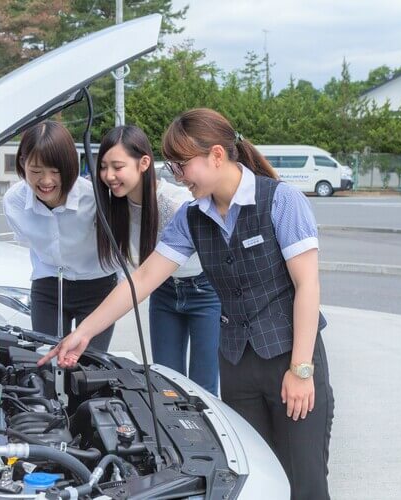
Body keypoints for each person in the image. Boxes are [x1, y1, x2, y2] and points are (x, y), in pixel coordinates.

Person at [39, 108, 334, 500]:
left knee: (305, 485)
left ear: (215, 155)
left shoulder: (281, 201)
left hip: (291, 356)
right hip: (236, 365)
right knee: (255, 483)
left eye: (181, 165)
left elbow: (307, 285)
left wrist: (301, 369)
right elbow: (143, 278)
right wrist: (84, 333)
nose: (177, 176)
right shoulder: (193, 217)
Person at [95, 125, 221, 394]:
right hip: (163, 292)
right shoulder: (113, 207)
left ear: (144, 163)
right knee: (166, 383)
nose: (109, 175)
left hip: (205, 291)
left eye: (117, 166)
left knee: (204, 386)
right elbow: (135, 275)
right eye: (103, 167)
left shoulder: (177, 203)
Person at [3, 120, 117, 350]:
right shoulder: (13, 202)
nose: (46, 181)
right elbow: (28, 242)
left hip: (97, 287)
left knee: (90, 367)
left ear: (70, 166)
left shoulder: (95, 198)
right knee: (47, 360)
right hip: (48, 287)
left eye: (56, 172)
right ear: (23, 163)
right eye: (36, 171)